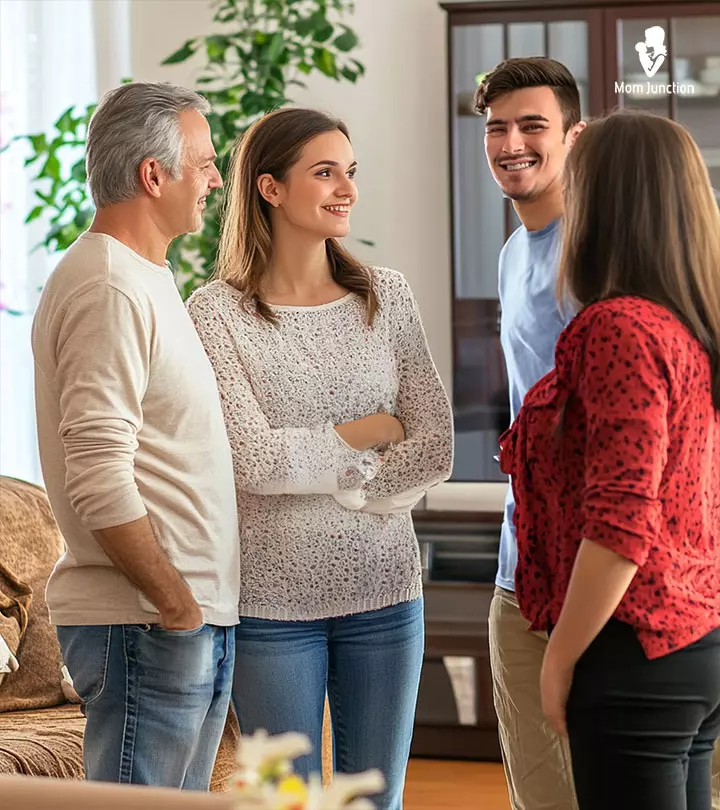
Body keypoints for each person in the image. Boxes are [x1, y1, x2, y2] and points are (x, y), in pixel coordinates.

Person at [186, 106, 454, 810]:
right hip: (271, 607)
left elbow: (434, 442)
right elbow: (254, 462)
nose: (346, 189)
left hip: (388, 597)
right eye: (325, 172)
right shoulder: (215, 313)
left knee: (378, 801)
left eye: (351, 172)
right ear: (270, 188)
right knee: (283, 804)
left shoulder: (385, 296)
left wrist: (349, 488)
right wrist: (369, 429)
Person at [498, 109, 720, 810]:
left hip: (632, 653)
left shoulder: (618, 327)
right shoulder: (688, 322)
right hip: (693, 642)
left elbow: (622, 522)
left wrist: (561, 656)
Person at [31, 82, 239, 790]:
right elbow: (98, 474)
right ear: (154, 175)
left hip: (176, 622)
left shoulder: (147, 278)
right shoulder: (108, 287)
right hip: (147, 624)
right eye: (206, 162)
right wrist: (175, 602)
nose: (216, 179)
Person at [474, 57, 585, 810]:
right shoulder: (515, 253)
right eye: (496, 128)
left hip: (603, 570)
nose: (512, 142)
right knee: (540, 796)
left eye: (533, 125)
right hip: (521, 571)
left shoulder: (604, 250)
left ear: (574, 137)